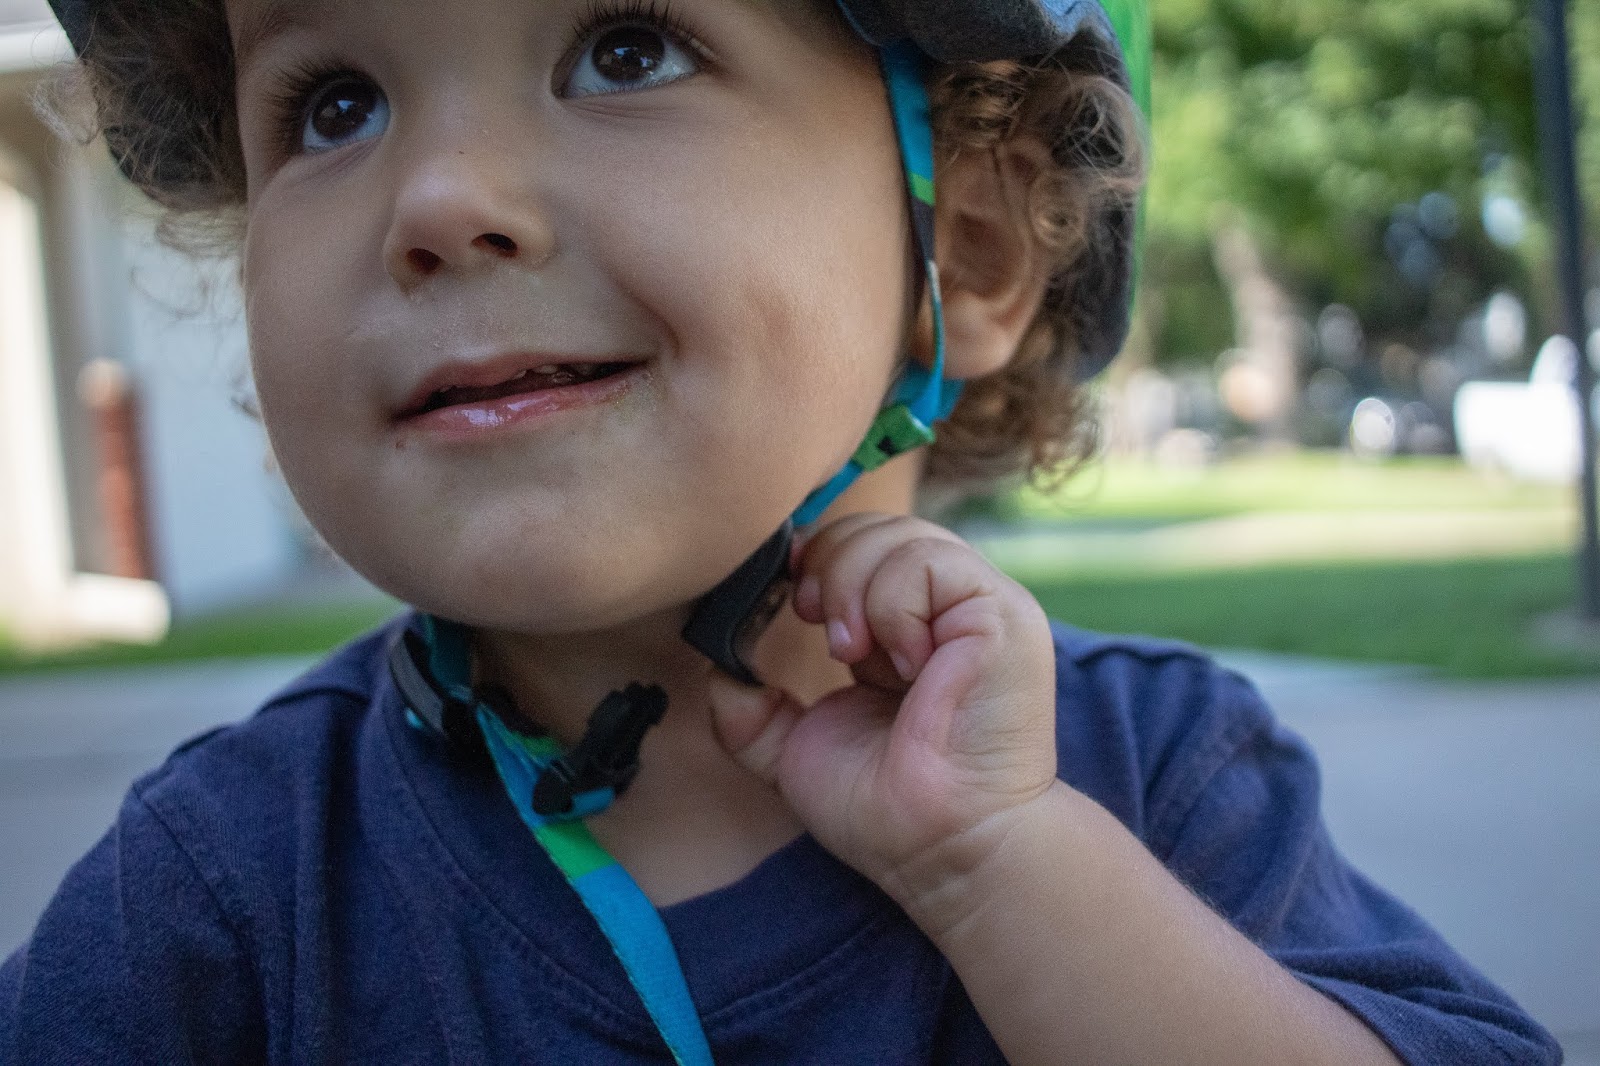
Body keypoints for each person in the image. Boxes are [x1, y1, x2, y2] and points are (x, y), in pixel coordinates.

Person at [0, 0, 1562, 1062]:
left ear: (975, 246)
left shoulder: (1161, 779)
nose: (441, 197)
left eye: (625, 47)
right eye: (333, 103)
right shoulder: (227, 899)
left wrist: (999, 864)